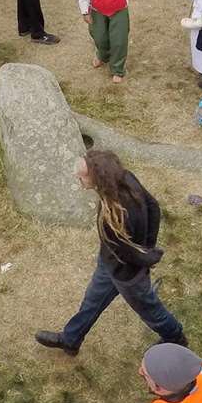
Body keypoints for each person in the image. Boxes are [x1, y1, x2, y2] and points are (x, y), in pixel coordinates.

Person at [35, 149, 185, 355]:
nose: (78, 178)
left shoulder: (113, 217)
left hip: (127, 275)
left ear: (99, 176)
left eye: (82, 175)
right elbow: (154, 207)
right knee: (92, 301)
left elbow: (127, 254)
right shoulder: (125, 177)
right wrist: (148, 245)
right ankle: (70, 340)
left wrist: (148, 255)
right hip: (110, 263)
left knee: (149, 309)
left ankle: (176, 337)